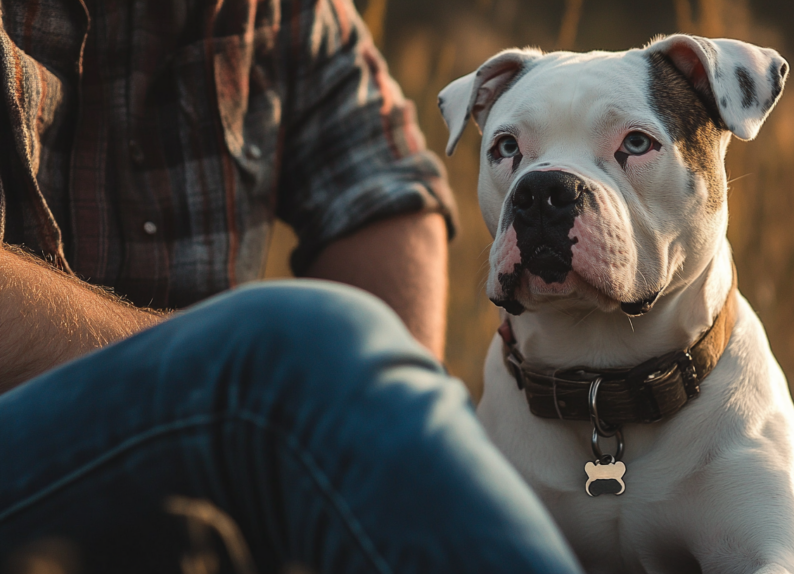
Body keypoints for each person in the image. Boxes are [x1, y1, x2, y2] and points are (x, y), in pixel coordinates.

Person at [0, 1, 582, 572]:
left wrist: (370, 435)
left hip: (198, 485)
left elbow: (385, 187)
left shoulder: (274, 10)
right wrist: (233, 379)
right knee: (296, 349)